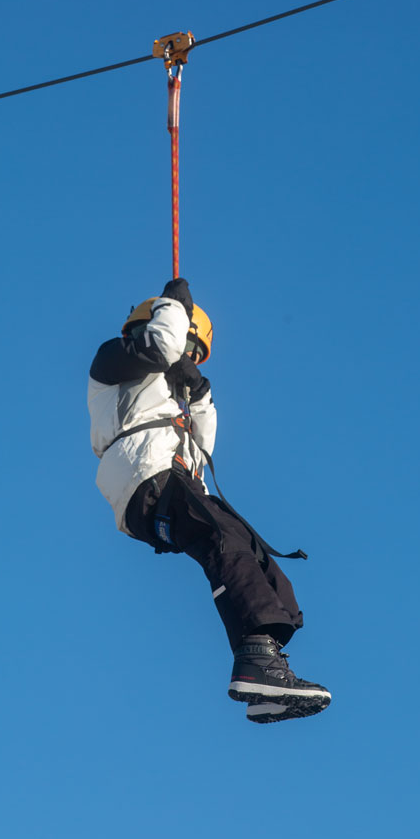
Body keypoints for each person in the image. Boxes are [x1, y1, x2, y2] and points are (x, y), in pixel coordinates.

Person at [88, 277, 331, 724]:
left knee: (251, 550)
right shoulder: (115, 362)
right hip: (145, 477)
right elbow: (161, 347)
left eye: (194, 353)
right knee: (224, 540)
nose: (185, 357)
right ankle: (255, 661)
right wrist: (173, 306)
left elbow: (203, 450)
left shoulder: (171, 398)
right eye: (187, 348)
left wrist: (199, 396)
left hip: (175, 480)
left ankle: (263, 665)